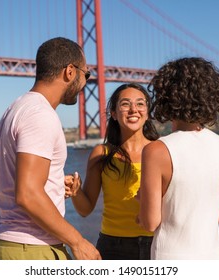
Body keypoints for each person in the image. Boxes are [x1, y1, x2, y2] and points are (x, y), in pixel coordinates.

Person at [0, 37, 101, 260]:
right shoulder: (41, 116)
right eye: (86, 75)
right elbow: (28, 194)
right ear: (70, 72)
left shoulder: (13, 110)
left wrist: (53, 183)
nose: (85, 82)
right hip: (33, 248)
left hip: (7, 244)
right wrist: (78, 241)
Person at [139, 57, 219, 260]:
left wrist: (142, 201)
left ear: (164, 96)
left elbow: (150, 222)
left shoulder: (156, 150)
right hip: (214, 257)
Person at [66, 83, 159, 260]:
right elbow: (85, 209)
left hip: (157, 244)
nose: (133, 109)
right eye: (125, 104)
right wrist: (75, 192)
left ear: (147, 112)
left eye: (140, 104)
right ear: (114, 114)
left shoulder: (162, 151)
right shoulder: (101, 153)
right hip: (112, 247)